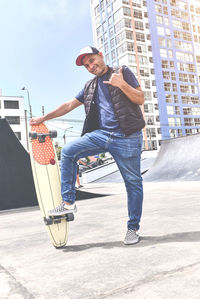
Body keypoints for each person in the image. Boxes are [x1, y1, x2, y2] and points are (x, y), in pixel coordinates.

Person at [30, 46, 145, 245]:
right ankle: (68, 202)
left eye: (92, 60)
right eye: (87, 65)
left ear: (101, 55)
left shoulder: (121, 71)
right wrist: (44, 117)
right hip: (102, 135)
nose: (91, 66)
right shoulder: (89, 86)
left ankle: (132, 228)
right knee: (68, 151)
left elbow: (140, 98)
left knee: (133, 185)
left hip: (127, 138)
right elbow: (68, 105)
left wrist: (121, 85)